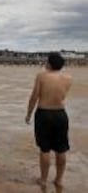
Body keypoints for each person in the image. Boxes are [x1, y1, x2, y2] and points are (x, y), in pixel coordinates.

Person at [25, 52, 72, 188]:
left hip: (44, 113)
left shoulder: (41, 76)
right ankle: (59, 180)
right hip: (60, 114)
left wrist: (28, 114)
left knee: (45, 149)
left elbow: (34, 96)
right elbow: (62, 95)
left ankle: (44, 179)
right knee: (61, 149)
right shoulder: (68, 78)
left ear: (49, 64)